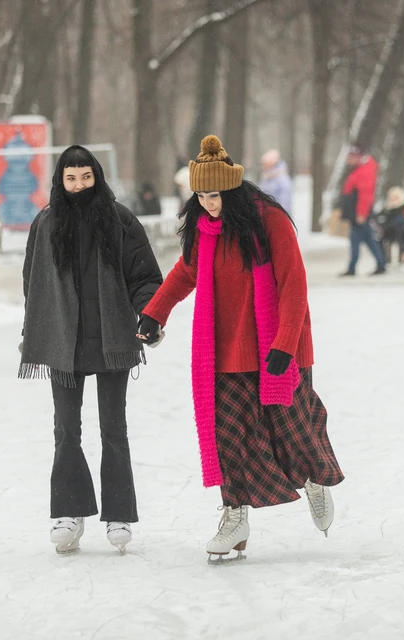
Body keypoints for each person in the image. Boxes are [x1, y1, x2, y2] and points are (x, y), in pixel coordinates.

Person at [136, 135, 344, 564]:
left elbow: (293, 283)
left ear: (233, 188)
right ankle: (235, 518)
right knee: (230, 437)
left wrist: (285, 342)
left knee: (294, 429)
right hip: (226, 350)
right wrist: (155, 313)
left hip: (276, 347)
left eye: (216, 195)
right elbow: (184, 272)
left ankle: (313, 480)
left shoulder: (269, 220)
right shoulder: (204, 228)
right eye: (202, 195)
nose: (210, 203)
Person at [19, 145, 164, 555]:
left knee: (113, 430)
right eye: (71, 178)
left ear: (97, 177)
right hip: (64, 341)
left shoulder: (119, 220)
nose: (79, 185)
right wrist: (35, 329)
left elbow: (145, 276)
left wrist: (148, 316)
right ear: (60, 181)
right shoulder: (46, 223)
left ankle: (118, 513)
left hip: (112, 339)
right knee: (66, 430)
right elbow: (34, 282)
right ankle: (69, 511)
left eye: (86, 177)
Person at [339, 145, 386, 276]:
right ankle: (380, 263)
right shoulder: (361, 169)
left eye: (350, 156)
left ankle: (352, 267)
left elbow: (365, 195)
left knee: (356, 239)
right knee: (368, 238)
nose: (348, 159)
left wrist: (361, 213)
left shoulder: (365, 171)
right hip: (357, 211)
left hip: (359, 212)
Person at [259, 149, 293, 214]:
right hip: (266, 215)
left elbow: (284, 204)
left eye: (266, 164)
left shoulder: (283, 180)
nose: (264, 167)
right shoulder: (267, 178)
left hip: (277, 216)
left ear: (273, 164)